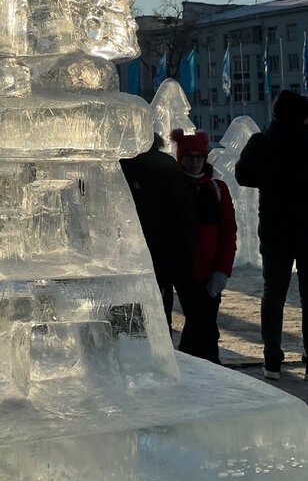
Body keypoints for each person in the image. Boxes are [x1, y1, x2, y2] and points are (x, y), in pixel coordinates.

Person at [233, 89, 308, 380]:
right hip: (305, 229)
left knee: (273, 293)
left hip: (275, 229)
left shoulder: (262, 142)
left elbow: (242, 175)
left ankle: (272, 360)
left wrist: (269, 179)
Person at [171, 128, 237, 364]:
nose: (195, 162)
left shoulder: (217, 189)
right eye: (189, 157)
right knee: (202, 323)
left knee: (202, 322)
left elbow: (229, 233)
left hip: (210, 269)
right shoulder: (174, 188)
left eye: (199, 157)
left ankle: (194, 367)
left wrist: (222, 270)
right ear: (181, 158)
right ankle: (209, 367)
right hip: (184, 271)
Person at [121, 132, 195, 328]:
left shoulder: (123, 165)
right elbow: (183, 210)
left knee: (133, 312)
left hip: (132, 249)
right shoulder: (167, 163)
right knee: (162, 307)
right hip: (165, 247)